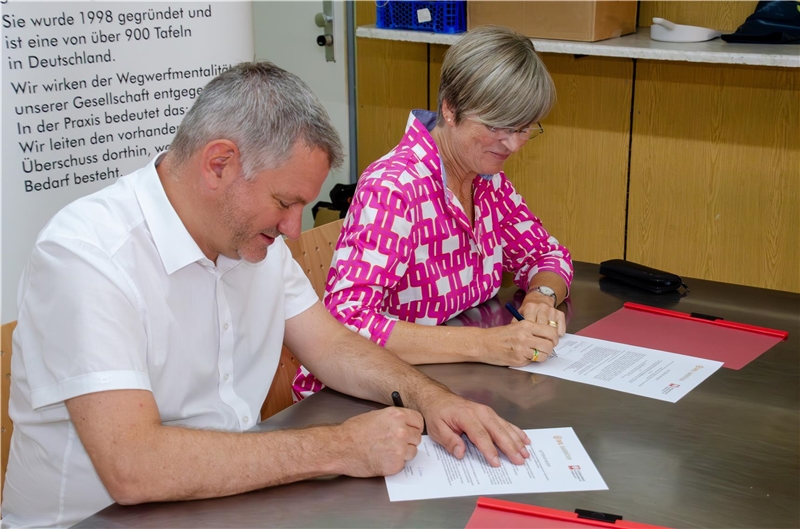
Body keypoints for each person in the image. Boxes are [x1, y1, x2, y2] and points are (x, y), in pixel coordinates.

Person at [1, 62, 532, 529]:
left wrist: (431, 398)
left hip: (223, 500)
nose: (295, 228)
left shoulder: (250, 240)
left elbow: (332, 348)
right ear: (219, 164)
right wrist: (340, 447)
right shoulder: (87, 255)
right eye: (285, 201)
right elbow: (133, 467)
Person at [294, 26, 573, 399]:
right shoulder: (395, 187)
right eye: (497, 126)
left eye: (523, 129)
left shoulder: (486, 180)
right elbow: (348, 325)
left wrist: (540, 296)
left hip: (450, 380)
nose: (512, 144)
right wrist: (483, 345)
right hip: (367, 391)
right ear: (450, 109)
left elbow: (548, 255)